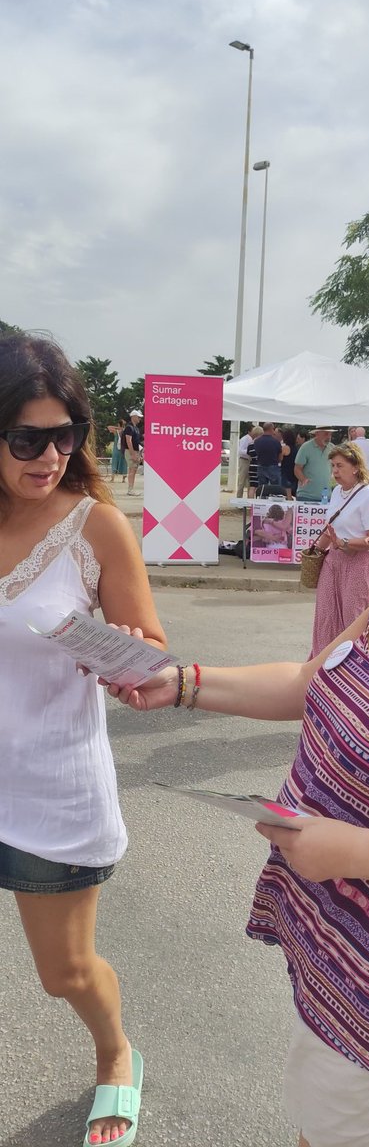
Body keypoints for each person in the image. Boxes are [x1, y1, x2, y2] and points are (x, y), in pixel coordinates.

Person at [106, 411, 369, 1147]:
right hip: (355, 949)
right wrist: (181, 683)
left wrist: (350, 851)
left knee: (349, 1128)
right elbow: (311, 682)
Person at [0, 332, 167, 1146]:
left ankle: (115, 1053)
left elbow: (153, 650)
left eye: (66, 435)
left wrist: (132, 661)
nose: (51, 455)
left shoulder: (95, 526)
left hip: (51, 788)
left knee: (61, 971)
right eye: (28, 439)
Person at [308, 441, 369, 656]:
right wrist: (315, 551)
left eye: (339, 465)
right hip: (334, 560)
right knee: (325, 614)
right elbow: (331, 529)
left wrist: (345, 543)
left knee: (353, 619)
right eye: (332, 466)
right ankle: (320, 662)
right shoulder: (337, 492)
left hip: (358, 562)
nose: (335, 471)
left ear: (355, 467)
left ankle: (353, 667)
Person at [294, 427, 333, 502]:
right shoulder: (305, 447)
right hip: (306, 496)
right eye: (326, 433)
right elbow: (297, 468)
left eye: (330, 434)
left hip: (326, 496)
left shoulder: (332, 448)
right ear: (317, 433)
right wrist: (303, 479)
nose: (328, 436)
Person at [253, 422, 282, 488]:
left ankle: (262, 498)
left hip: (260, 466)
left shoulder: (257, 441)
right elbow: (280, 457)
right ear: (271, 429)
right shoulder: (276, 442)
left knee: (262, 488)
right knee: (276, 488)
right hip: (273, 466)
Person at [124, 410, 143, 495]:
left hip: (136, 451)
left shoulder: (136, 428)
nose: (139, 418)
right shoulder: (129, 427)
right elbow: (129, 441)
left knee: (134, 470)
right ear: (133, 417)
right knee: (132, 469)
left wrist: (140, 453)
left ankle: (131, 488)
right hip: (130, 451)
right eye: (138, 417)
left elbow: (137, 441)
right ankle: (130, 489)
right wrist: (132, 454)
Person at [107, 418, 128, 484]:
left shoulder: (116, 431)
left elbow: (109, 427)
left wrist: (118, 427)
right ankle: (123, 479)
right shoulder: (126, 431)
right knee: (124, 463)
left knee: (114, 463)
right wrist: (121, 428)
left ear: (118, 424)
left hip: (116, 449)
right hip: (123, 449)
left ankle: (112, 479)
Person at [280, 426, 298, 498]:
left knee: (288, 493)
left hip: (286, 471)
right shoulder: (296, 448)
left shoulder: (285, 448)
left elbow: (280, 459)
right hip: (294, 470)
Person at [237, 424, 254, 497]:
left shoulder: (254, 439)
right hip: (244, 461)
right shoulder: (245, 439)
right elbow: (240, 451)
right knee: (242, 481)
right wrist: (249, 452)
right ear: (249, 431)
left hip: (251, 461)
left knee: (250, 482)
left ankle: (249, 499)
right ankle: (239, 499)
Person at [247, 425, 263, 497]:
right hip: (260, 465)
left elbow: (249, 454)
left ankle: (250, 504)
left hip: (252, 466)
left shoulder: (250, 444)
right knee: (260, 486)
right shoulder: (262, 443)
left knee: (252, 486)